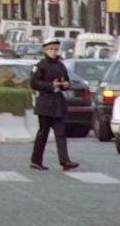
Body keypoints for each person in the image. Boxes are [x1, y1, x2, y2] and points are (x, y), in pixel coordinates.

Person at [29, 37, 79, 171]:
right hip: (45, 103)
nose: (54, 52)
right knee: (43, 134)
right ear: (45, 50)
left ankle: (65, 161)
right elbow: (34, 83)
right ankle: (36, 160)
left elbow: (66, 81)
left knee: (61, 133)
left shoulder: (61, 66)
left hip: (58, 103)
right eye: (51, 49)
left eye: (56, 49)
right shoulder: (40, 66)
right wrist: (50, 85)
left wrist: (66, 85)